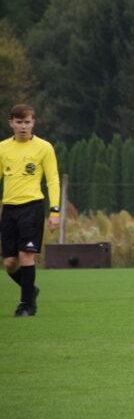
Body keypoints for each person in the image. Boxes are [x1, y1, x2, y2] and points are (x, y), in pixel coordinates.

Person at [1, 104, 60, 317]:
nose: (23, 126)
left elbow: (52, 180)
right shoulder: (3, 148)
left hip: (32, 207)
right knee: (9, 263)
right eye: (19, 122)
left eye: (27, 122)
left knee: (26, 256)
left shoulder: (44, 147)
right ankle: (30, 290)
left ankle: (26, 305)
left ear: (33, 123)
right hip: (9, 209)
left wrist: (54, 212)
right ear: (11, 123)